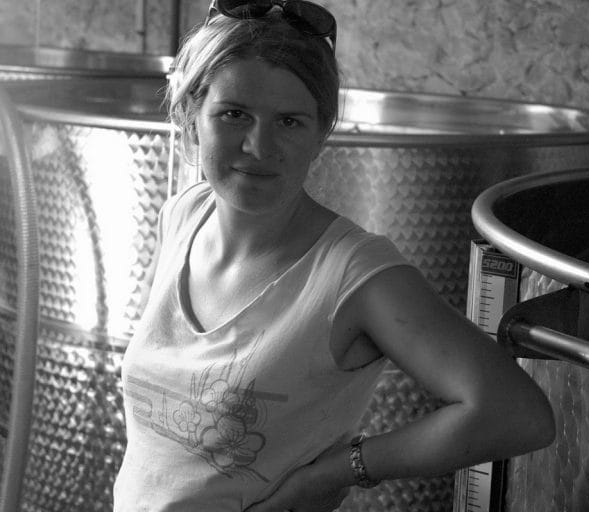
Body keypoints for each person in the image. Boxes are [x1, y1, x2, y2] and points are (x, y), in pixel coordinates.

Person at [113, 1, 555, 511]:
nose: (259, 146)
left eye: (289, 122)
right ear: (193, 117)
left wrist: (337, 472)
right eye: (234, 114)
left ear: (321, 134)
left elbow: (516, 414)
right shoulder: (183, 215)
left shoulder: (352, 273)